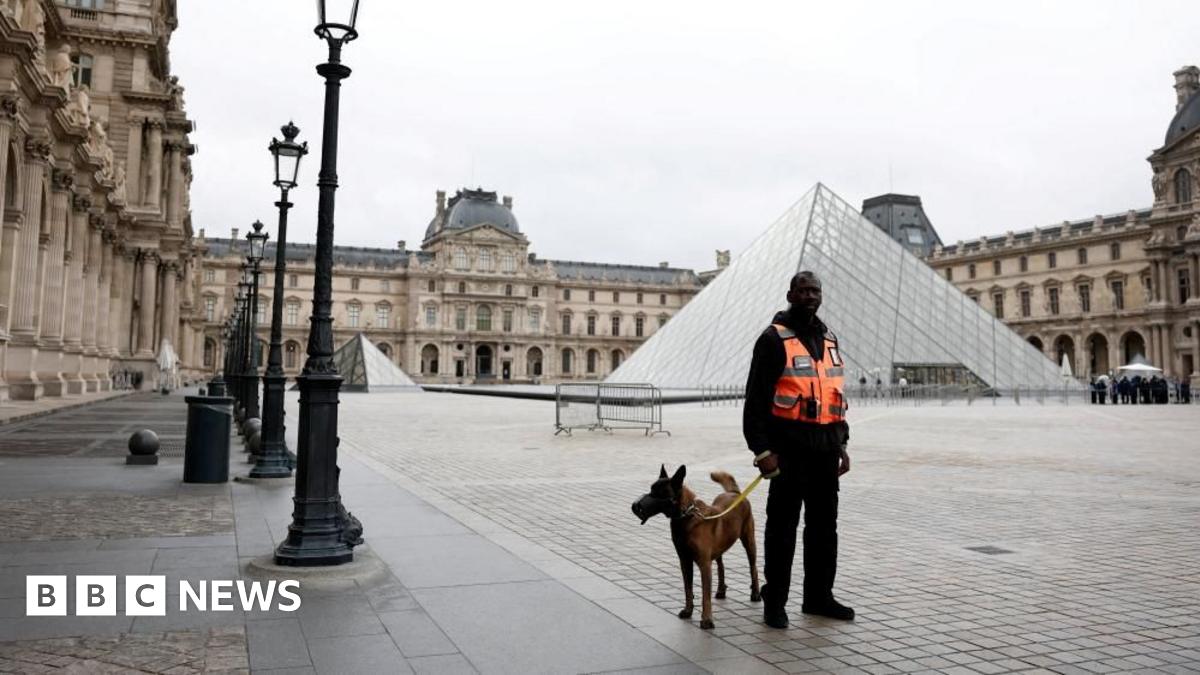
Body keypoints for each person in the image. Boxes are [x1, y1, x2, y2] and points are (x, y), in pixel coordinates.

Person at [743, 271, 853, 627]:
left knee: (824, 528)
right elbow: (755, 402)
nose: (810, 296)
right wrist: (762, 452)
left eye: (815, 290)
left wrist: (842, 443)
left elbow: (835, 395)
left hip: (825, 450)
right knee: (782, 529)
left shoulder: (829, 338)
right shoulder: (772, 339)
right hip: (788, 452)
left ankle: (819, 597)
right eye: (803, 290)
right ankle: (775, 602)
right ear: (790, 294)